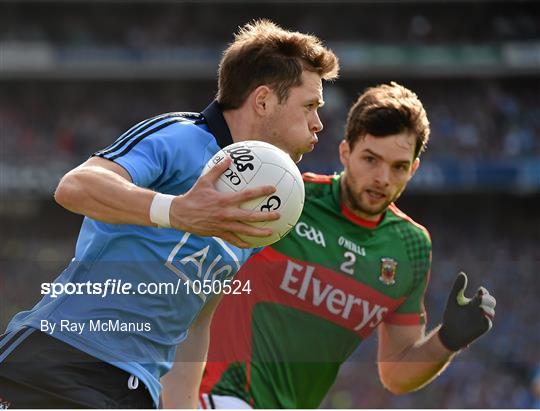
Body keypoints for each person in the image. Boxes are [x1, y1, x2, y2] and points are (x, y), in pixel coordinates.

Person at [0, 20, 339, 409]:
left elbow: (194, 325)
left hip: (136, 392)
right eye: (310, 106)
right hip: (58, 360)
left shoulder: (260, 210)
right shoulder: (181, 137)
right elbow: (75, 186)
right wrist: (176, 211)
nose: (318, 123)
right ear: (263, 101)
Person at [193, 82, 496, 409]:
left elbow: (395, 372)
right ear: (345, 152)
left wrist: (446, 340)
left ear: (414, 169)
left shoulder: (411, 246)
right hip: (216, 394)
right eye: (370, 159)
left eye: (398, 166)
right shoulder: (289, 198)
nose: (382, 177)